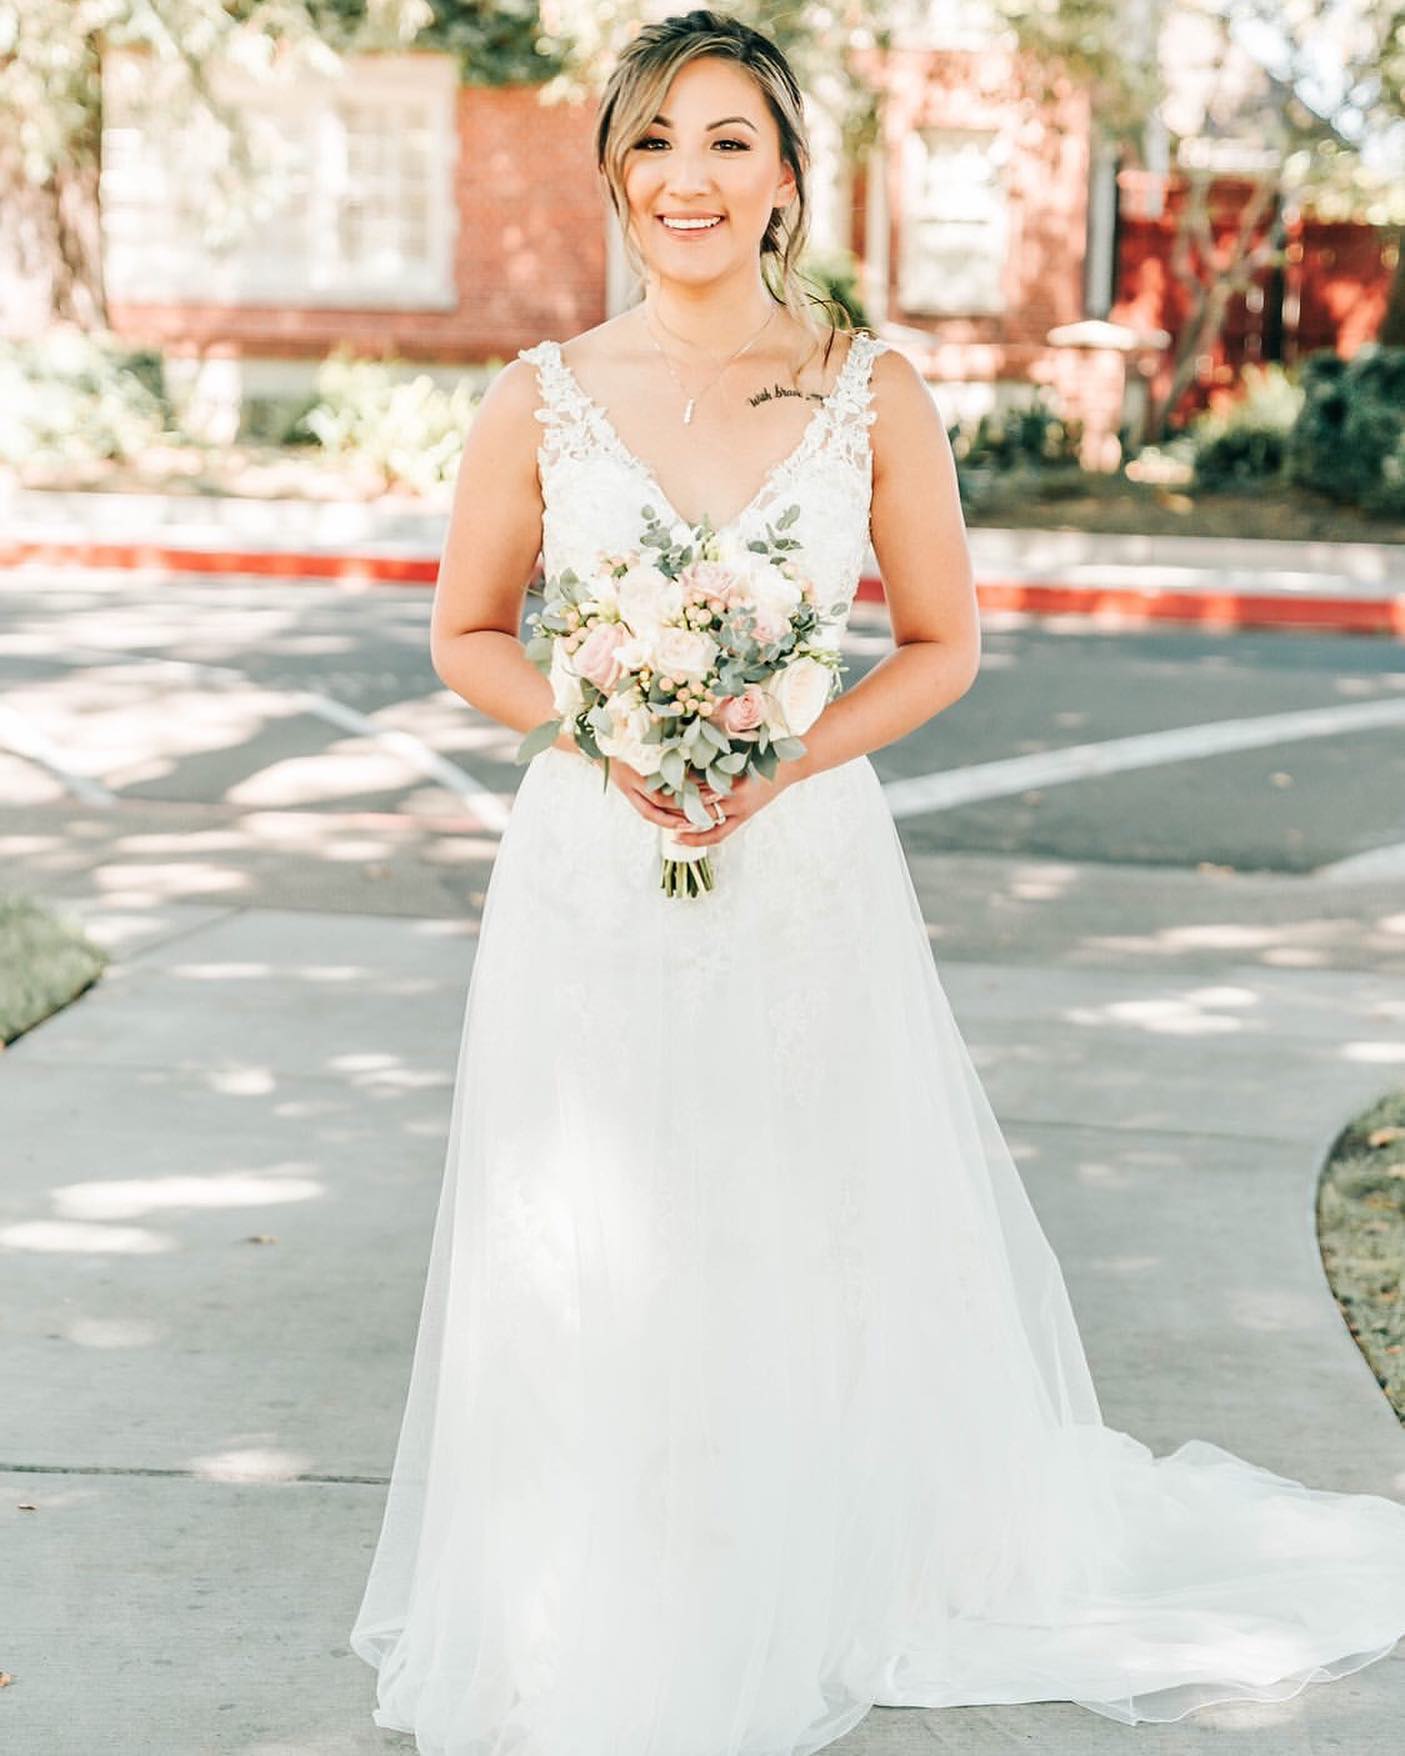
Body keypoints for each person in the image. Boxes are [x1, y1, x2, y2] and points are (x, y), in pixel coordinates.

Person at [349, 12, 1405, 1753]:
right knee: (592, 1227)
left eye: (728, 142)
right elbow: (466, 635)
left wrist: (783, 755)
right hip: (590, 876)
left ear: (783, 180)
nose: (688, 178)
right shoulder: (535, 395)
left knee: (801, 1205)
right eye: (656, 143)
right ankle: (591, 1574)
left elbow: (940, 647)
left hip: (804, 864)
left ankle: (820, 1557)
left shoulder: (867, 388)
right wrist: (599, 730)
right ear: (616, 170)